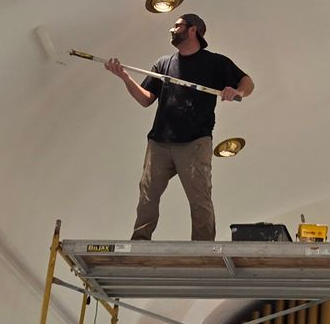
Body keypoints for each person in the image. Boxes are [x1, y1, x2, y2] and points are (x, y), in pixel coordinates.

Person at [105, 13, 253, 241]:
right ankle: (140, 241)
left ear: (193, 30)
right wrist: (125, 77)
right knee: (147, 194)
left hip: (195, 141)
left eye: (177, 26)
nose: (172, 30)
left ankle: (203, 248)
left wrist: (237, 91)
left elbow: (247, 82)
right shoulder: (164, 63)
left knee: (199, 197)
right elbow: (146, 99)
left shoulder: (215, 62)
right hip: (159, 142)